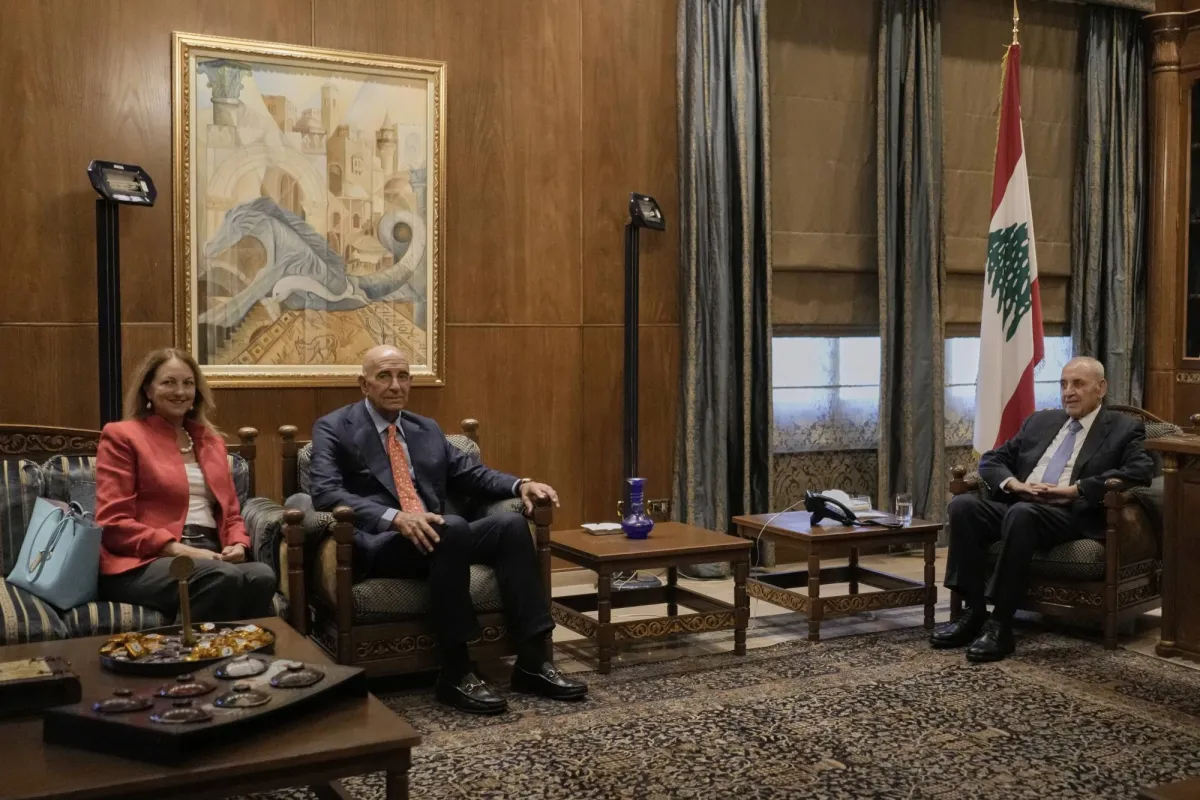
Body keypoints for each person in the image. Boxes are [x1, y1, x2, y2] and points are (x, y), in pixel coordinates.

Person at [309, 345, 587, 714]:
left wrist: (521, 484)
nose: (396, 385)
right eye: (384, 376)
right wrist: (395, 517)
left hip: (443, 539)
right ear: (364, 384)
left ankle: (533, 662)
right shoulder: (334, 427)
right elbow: (325, 492)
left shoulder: (425, 428)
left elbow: (472, 474)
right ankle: (456, 671)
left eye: (403, 376)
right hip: (385, 542)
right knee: (452, 527)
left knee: (509, 524)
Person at [932, 356, 1154, 662]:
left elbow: (1140, 471)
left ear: (1101, 388)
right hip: (1021, 503)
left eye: (1078, 384)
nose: (1068, 392)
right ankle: (974, 612)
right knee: (963, 506)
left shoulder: (1124, 428)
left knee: (1022, 514)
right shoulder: (1040, 421)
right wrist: (1015, 485)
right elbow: (993, 459)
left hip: (1070, 514)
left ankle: (1001, 625)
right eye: (1063, 384)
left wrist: (1076, 490)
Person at [95, 348, 276, 622]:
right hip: (144, 560)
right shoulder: (122, 436)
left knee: (262, 576)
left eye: (188, 383)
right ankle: (186, 648)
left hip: (209, 552)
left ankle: (241, 650)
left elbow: (230, 513)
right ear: (148, 389)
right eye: (168, 382)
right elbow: (113, 522)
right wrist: (180, 550)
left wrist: (238, 544)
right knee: (220, 576)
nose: (180, 391)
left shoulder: (211, 442)